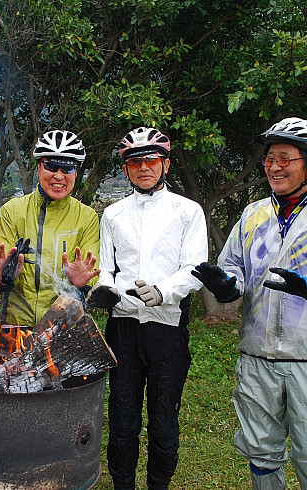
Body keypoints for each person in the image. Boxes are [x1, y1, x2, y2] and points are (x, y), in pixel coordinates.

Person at [192, 117, 307, 490]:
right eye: (270, 158)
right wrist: (227, 287)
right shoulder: (253, 215)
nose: (274, 167)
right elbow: (233, 267)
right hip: (256, 355)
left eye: (285, 158)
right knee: (260, 452)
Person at [87, 127, 208, 490]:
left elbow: (195, 267)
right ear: (126, 170)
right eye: (135, 162)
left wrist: (163, 291)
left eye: (151, 160)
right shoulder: (112, 214)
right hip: (122, 328)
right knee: (123, 418)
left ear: (166, 164)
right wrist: (103, 290)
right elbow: (106, 268)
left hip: (167, 327)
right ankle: (123, 483)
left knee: (163, 418)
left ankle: (159, 484)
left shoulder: (187, 211)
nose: (143, 168)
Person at [0, 129, 100, 327]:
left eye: (67, 168)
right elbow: (0, 275)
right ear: (38, 168)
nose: (58, 176)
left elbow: (90, 274)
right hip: (16, 326)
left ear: (76, 172)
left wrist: (83, 283)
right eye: (51, 166)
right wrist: (3, 276)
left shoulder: (87, 217)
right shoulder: (12, 211)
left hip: (64, 327)